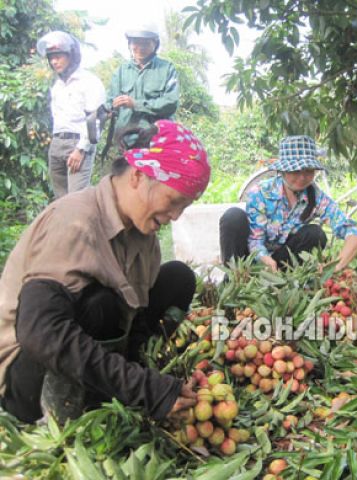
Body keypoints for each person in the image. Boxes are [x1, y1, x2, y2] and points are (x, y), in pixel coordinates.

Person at [0, 119, 211, 424]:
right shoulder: (75, 222)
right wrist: (144, 389)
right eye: (174, 201)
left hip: (92, 348)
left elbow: (136, 314)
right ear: (139, 176)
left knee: (178, 277)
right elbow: (40, 332)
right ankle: (76, 409)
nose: (176, 216)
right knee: (102, 303)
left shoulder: (144, 238)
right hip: (30, 378)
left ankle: (114, 383)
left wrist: (145, 376)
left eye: (184, 207)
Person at [220, 135, 357, 272]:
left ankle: (285, 279)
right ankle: (234, 276)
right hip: (251, 257)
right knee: (233, 217)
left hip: (282, 260)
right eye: (295, 171)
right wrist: (265, 259)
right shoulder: (260, 193)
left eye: (308, 171)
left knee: (315, 234)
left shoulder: (316, 197)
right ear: (283, 170)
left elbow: (353, 234)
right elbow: (256, 240)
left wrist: (336, 267)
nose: (302, 177)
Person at [36, 31, 106, 199]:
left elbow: (96, 120)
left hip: (78, 143)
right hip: (57, 143)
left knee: (76, 201)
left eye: (59, 56)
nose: (54, 61)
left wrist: (81, 149)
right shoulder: (58, 86)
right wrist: (54, 146)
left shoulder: (89, 81)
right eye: (51, 57)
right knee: (60, 201)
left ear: (71, 55)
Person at [105, 22, 179, 148]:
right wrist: (109, 109)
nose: (140, 47)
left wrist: (136, 104)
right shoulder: (121, 71)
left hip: (157, 141)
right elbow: (110, 102)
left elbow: (171, 103)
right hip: (125, 141)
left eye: (145, 43)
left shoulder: (167, 69)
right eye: (136, 43)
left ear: (155, 44)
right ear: (130, 44)